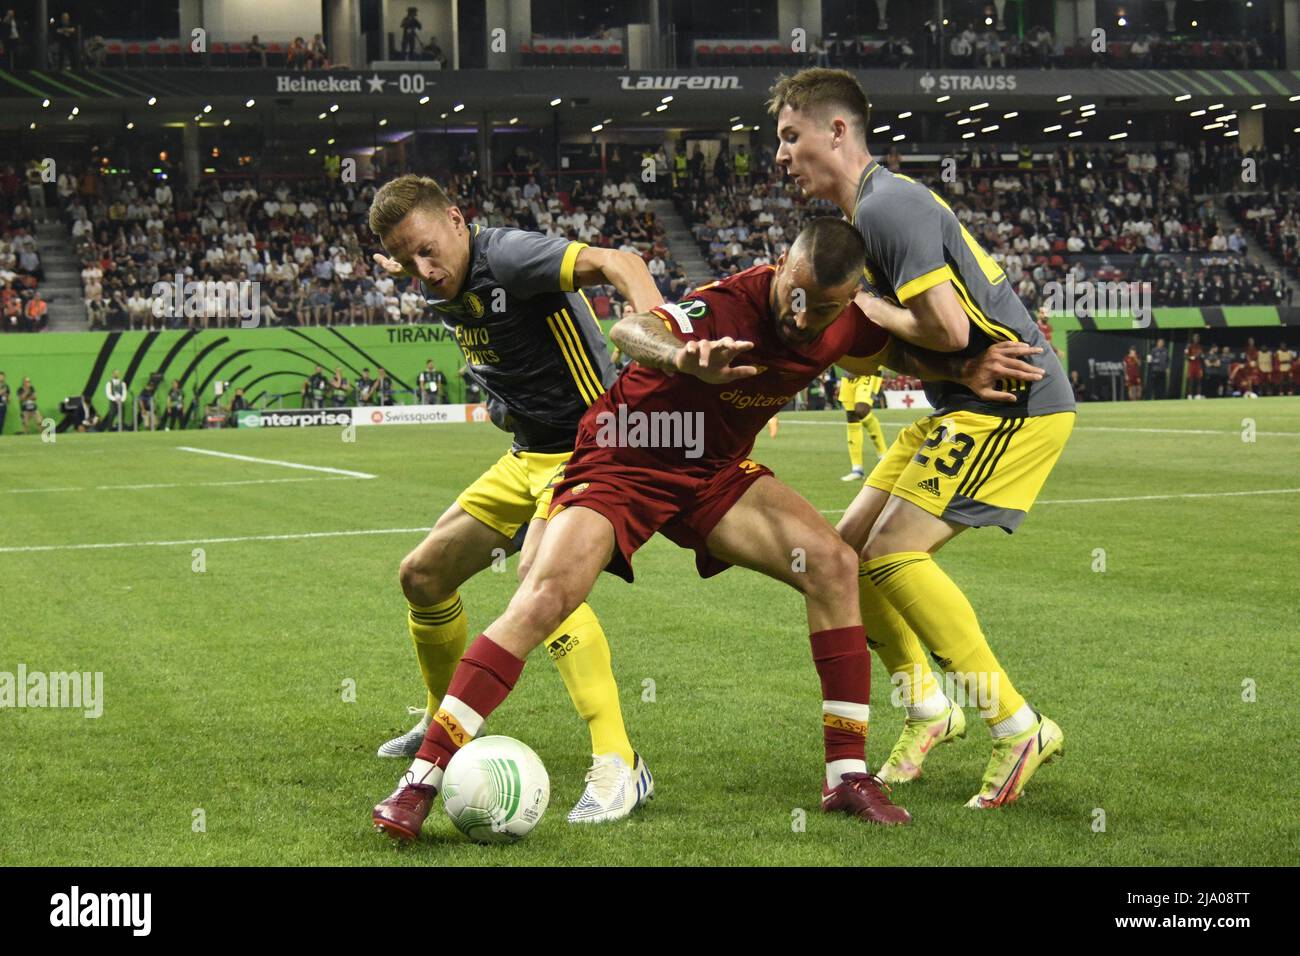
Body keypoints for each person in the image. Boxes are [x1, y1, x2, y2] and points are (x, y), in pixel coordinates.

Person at [370, 218, 1044, 841]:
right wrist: (684, 360)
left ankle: (846, 777)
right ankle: (422, 780)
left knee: (834, 565)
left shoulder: (846, 321)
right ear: (781, 266)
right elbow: (633, 332)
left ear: (850, 300)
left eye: (823, 307)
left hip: (712, 471)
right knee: (545, 596)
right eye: (795, 294)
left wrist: (959, 368)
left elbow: (885, 353)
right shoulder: (729, 304)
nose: (800, 315)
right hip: (627, 451)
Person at [769, 68, 1075, 807]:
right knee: (841, 558)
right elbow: (932, 345)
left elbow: (947, 325)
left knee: (893, 555)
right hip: (964, 400)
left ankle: (1015, 723)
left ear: (836, 130)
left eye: (789, 136)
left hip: (1013, 404)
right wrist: (940, 354)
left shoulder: (890, 205)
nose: (780, 155)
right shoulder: (865, 218)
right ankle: (929, 708)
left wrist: (875, 310)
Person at [365, 173, 665, 821]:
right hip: (526, 453)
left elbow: (620, 260)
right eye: (407, 259)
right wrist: (401, 258)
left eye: (428, 248)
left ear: (456, 218)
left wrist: (659, 333)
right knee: (422, 576)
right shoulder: (433, 264)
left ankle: (620, 762)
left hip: (588, 448)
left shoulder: (507, 256)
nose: (424, 269)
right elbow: (414, 256)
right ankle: (443, 718)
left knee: (544, 588)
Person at [837, 372, 887, 481]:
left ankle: (883, 456)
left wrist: (858, 367)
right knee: (852, 418)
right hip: (847, 377)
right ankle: (857, 469)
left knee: (861, 410)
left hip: (867, 372)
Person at [1185, 332, 1204, 398]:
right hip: (1191, 365)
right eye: (1195, 337)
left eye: (1197, 338)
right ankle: (1189, 395)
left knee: (1199, 380)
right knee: (1190, 381)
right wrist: (1190, 357)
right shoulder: (1189, 346)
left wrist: (1199, 356)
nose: (1196, 339)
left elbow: (1201, 355)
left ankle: (1198, 395)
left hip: (1198, 365)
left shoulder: (1200, 347)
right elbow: (1186, 356)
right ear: (1193, 338)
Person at [0, 370, 8, 435]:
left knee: (2, 421)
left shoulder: (6, 386)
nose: (1, 378)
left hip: (3, 406)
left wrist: (7, 396)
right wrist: (1, 392)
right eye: (0, 377)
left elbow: (9, 398)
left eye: (3, 377)